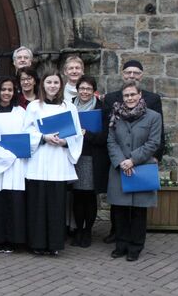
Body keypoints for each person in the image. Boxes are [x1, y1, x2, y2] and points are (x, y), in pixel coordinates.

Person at [102, 59, 164, 244]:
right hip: (120, 166)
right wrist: (121, 161)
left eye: (133, 95)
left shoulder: (153, 116)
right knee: (120, 210)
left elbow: (154, 141)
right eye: (126, 95)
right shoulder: (116, 114)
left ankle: (135, 247)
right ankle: (120, 245)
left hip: (140, 165)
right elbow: (111, 140)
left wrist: (133, 160)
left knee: (138, 211)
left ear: (140, 95)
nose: (129, 98)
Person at [23, 69, 83, 255]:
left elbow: (77, 133)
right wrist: (43, 137)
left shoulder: (69, 107)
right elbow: (26, 131)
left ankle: (54, 245)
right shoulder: (33, 106)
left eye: (56, 83)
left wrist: (66, 141)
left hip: (58, 160)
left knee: (56, 205)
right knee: (38, 204)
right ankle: (37, 244)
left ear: (61, 85)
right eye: (49, 82)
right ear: (43, 85)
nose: (52, 86)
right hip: (39, 160)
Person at [0, 76, 28, 253]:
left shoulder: (20, 112)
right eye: (3, 89)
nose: (7, 93)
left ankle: (13, 240)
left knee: (13, 201)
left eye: (10, 90)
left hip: (16, 164)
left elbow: (27, 135)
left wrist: (13, 156)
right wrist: (4, 156)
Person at [70, 75, 108, 248]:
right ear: (77, 89)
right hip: (73, 156)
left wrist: (87, 134)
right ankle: (78, 229)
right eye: (82, 88)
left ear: (94, 91)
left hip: (92, 157)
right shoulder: (69, 105)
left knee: (90, 196)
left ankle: (88, 231)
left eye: (88, 89)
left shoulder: (101, 107)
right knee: (77, 195)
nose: (84, 92)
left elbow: (105, 137)